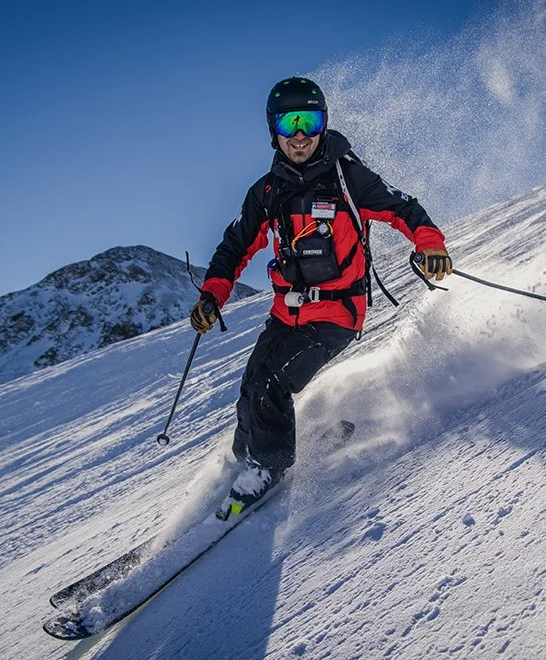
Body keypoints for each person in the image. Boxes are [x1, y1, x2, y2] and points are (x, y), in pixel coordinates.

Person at [190, 77, 452, 519]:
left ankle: (266, 467)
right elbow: (234, 247)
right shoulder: (267, 192)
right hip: (286, 312)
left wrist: (429, 244)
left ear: (323, 123)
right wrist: (213, 295)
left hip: (336, 313)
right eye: (287, 123)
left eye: (308, 122)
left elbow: (402, 208)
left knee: (272, 382)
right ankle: (246, 455)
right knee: (252, 386)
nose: (298, 136)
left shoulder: (348, 176)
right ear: (272, 130)